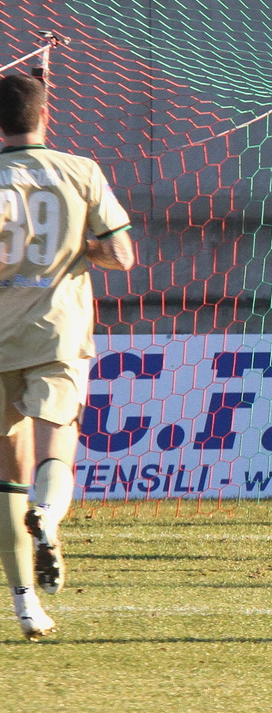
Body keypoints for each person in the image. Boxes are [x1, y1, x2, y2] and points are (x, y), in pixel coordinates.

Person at [0, 72, 135, 641]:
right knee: (59, 440)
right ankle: (49, 518)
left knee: (9, 477)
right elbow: (124, 255)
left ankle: (26, 606)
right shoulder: (81, 171)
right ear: (46, 114)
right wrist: (87, 250)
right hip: (58, 332)